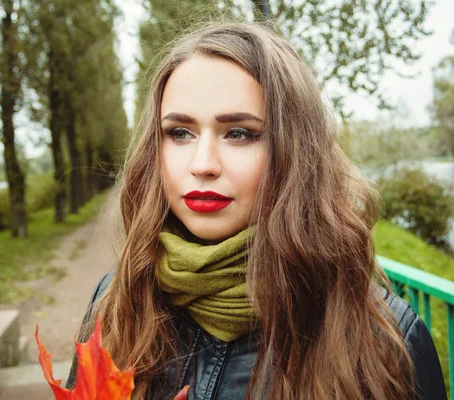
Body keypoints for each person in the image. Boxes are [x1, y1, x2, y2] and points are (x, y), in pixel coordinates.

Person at [66, 21, 447, 400]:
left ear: (295, 153)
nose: (203, 164)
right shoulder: (116, 302)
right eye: (179, 133)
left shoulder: (385, 339)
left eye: (240, 133)